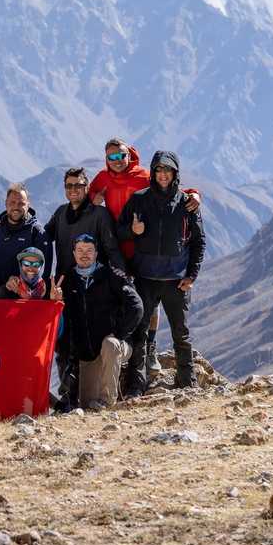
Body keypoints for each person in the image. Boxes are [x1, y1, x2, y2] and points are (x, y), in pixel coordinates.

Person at [89, 138, 200, 377]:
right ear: (106, 159)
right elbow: (88, 199)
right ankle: (122, 360)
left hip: (145, 257)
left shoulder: (143, 175)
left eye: (121, 156)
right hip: (117, 252)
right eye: (112, 157)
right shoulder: (102, 179)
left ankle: (150, 350)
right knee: (126, 305)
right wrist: (94, 201)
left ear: (130, 155)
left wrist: (195, 194)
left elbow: (174, 188)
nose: (117, 161)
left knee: (153, 311)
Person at [117, 151, 206, 394]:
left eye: (168, 170)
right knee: (140, 333)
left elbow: (199, 242)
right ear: (153, 173)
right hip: (145, 278)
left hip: (176, 280)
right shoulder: (139, 199)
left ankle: (187, 382)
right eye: (158, 170)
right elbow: (119, 231)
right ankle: (136, 386)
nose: (163, 175)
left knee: (181, 333)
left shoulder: (187, 204)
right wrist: (132, 230)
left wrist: (191, 276)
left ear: (175, 173)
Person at [52, 234, 144, 410]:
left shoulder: (110, 276)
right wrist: (56, 302)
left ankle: (108, 402)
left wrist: (119, 334)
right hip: (89, 354)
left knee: (110, 345)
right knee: (86, 404)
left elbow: (137, 306)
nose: (84, 254)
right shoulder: (68, 280)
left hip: (116, 345)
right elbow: (61, 320)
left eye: (89, 250)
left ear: (96, 254)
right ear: (73, 253)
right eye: (80, 250)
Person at [45, 168, 124, 278]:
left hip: (93, 283)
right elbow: (44, 237)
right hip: (63, 282)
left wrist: (122, 276)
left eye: (78, 185)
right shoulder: (60, 212)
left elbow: (112, 250)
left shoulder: (100, 214)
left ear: (87, 187)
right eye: (69, 186)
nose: (73, 189)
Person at [0, 183, 52, 295]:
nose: (16, 207)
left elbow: (44, 273)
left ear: (28, 205)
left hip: (22, 303)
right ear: (6, 203)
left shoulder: (37, 233)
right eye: (12, 202)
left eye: (21, 203)